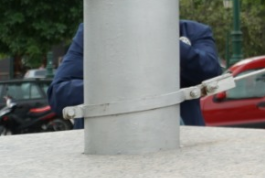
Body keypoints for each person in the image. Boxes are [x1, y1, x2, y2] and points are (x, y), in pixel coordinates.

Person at [47, 20, 222, 127]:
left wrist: (164, 38)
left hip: (178, 148)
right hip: (103, 151)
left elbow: (211, 71)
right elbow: (59, 94)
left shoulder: (194, 32)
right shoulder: (92, 31)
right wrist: (131, 87)